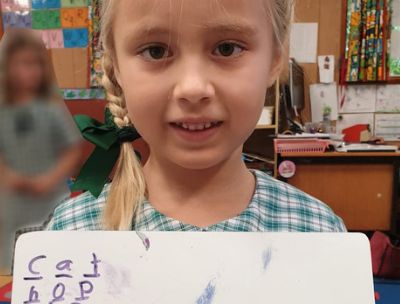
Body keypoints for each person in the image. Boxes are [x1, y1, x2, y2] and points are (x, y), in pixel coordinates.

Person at [47, 0, 345, 233]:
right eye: (155, 50)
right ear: (116, 68)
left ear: (274, 60)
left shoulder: (318, 232)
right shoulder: (71, 235)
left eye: (227, 48)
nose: (192, 87)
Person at [0, 28, 82, 271]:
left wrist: (50, 179)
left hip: (51, 202)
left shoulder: (51, 109)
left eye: (37, 64)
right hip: (12, 204)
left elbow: (73, 149)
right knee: (13, 266)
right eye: (24, 64)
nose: (32, 71)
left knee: (52, 262)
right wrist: (8, 176)